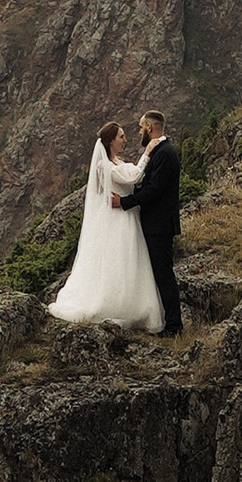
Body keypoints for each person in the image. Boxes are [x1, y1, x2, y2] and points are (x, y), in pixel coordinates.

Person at [47, 120, 164, 331]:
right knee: (118, 260)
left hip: (129, 216)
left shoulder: (117, 161)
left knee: (130, 260)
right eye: (121, 137)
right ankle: (114, 304)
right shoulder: (105, 166)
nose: (125, 140)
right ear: (110, 141)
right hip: (119, 219)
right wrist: (147, 153)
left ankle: (132, 302)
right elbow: (134, 177)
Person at [116, 109, 183, 336]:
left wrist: (125, 202)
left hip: (160, 225)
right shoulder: (160, 151)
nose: (139, 132)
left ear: (150, 128)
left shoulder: (165, 153)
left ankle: (174, 326)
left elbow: (154, 191)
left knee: (164, 274)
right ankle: (167, 321)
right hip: (156, 223)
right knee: (159, 273)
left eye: (141, 127)